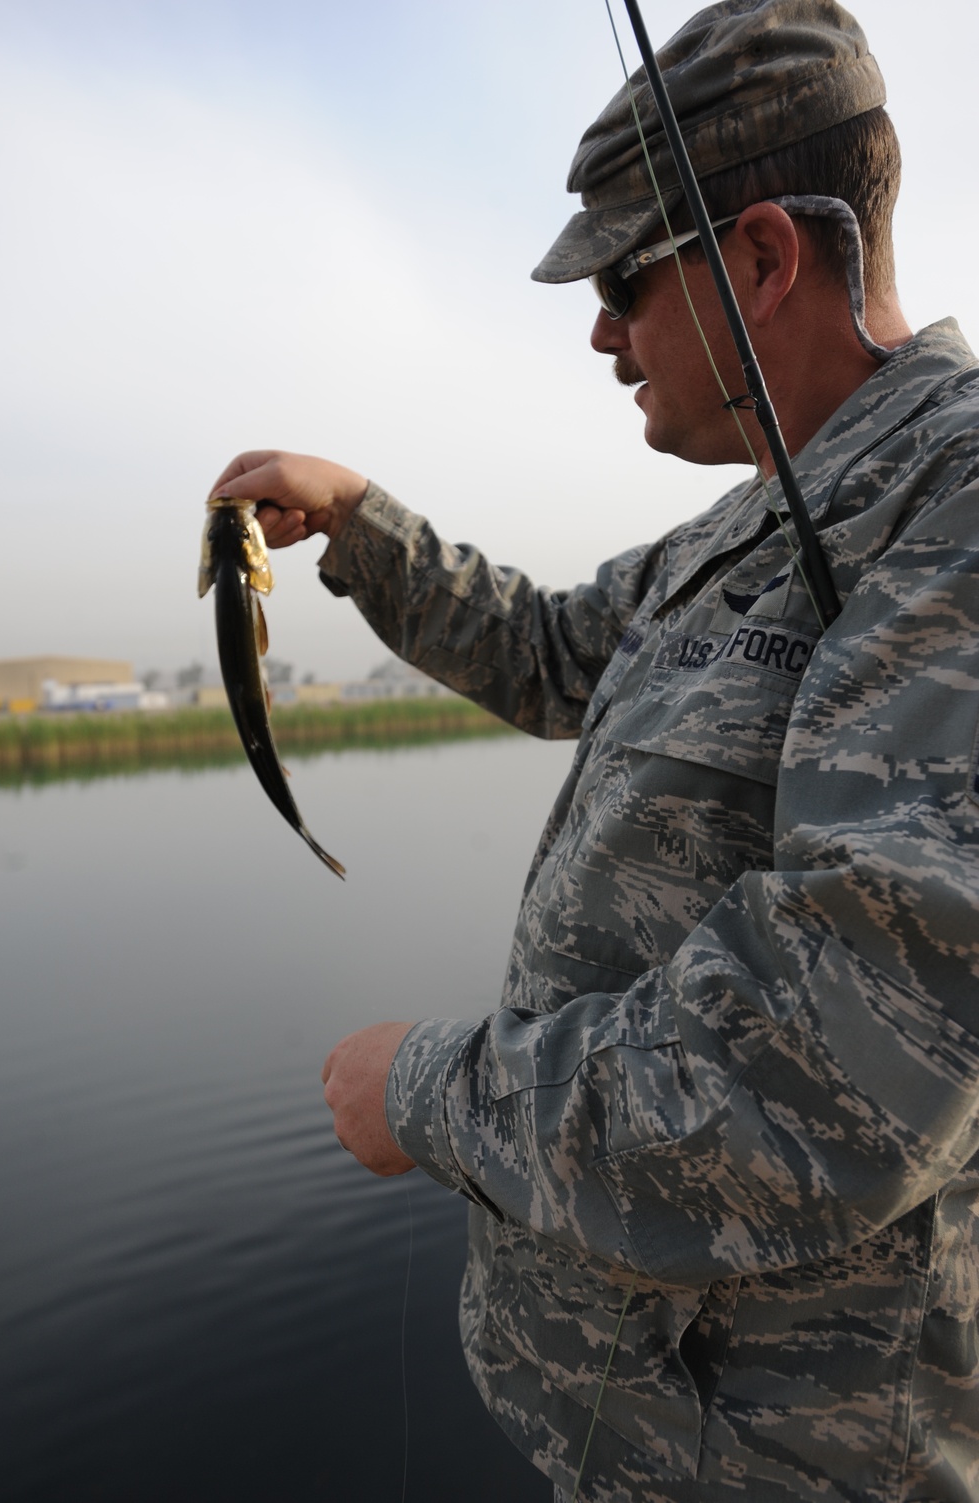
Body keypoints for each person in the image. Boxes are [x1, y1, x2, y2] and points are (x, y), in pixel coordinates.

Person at [210, 1, 979, 1498]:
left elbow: (838, 1062)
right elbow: (559, 649)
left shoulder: (955, 512)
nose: (601, 329)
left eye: (629, 275)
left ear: (762, 258)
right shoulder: (755, 522)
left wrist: (428, 1094)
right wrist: (360, 520)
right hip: (633, 1436)